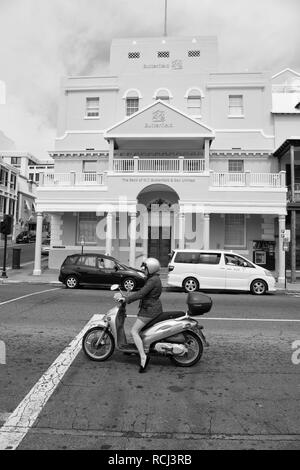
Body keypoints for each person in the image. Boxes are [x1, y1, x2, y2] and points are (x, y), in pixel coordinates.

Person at [115, 257, 162, 373]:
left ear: (151, 269)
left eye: (145, 268)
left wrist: (126, 299)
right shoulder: (153, 278)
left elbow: (141, 293)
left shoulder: (152, 280)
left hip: (149, 310)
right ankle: (138, 348)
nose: (143, 269)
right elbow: (142, 285)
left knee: (134, 331)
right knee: (140, 332)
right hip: (152, 308)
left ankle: (143, 357)